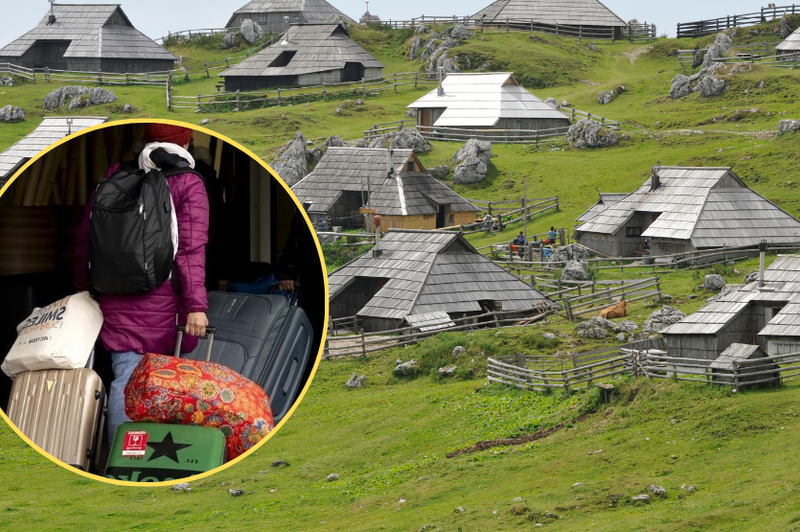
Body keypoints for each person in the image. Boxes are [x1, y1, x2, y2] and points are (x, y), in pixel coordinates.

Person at [75, 123, 210, 442]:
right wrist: (196, 306)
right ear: (186, 143)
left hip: (114, 296)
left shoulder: (116, 175)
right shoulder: (187, 182)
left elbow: (86, 239)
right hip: (165, 302)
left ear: (146, 141)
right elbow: (191, 249)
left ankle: (124, 462)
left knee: (125, 379)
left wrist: (86, 288)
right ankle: (153, 464)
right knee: (167, 386)